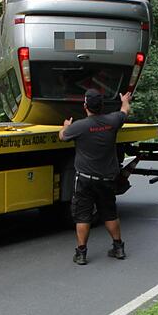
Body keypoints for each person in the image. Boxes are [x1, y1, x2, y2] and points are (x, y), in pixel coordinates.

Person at [59, 88, 133, 265]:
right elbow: (125, 111)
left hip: (85, 180)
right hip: (107, 179)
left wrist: (66, 126)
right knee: (110, 214)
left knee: (83, 216)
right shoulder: (113, 121)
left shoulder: (79, 126)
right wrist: (124, 100)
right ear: (102, 105)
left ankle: (81, 253)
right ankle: (118, 247)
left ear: (85, 105)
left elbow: (62, 137)